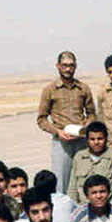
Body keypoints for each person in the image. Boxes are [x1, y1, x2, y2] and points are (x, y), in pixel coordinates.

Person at [37, 51, 96, 194]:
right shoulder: (50, 90)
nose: (68, 69)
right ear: (58, 66)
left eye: (71, 65)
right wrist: (57, 132)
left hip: (81, 141)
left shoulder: (83, 88)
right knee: (61, 182)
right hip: (61, 142)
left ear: (76, 66)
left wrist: (86, 126)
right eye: (64, 65)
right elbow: (41, 119)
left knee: (84, 180)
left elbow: (92, 113)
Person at [68, 121, 112, 204]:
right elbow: (73, 187)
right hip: (83, 205)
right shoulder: (79, 157)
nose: (96, 142)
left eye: (100, 139)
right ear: (87, 140)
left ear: (106, 138)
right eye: (92, 139)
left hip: (108, 205)